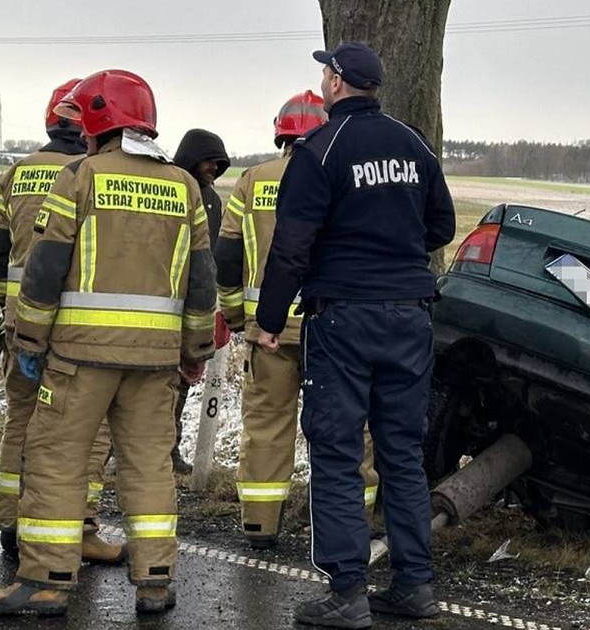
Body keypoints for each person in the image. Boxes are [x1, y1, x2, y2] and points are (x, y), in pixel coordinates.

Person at [0, 69, 216, 616]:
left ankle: (48, 578)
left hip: (78, 358)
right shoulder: (184, 188)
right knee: (149, 465)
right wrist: (195, 351)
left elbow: (44, 269)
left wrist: (29, 339)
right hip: (155, 364)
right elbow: (201, 283)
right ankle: (155, 580)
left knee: (57, 459)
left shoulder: (80, 177)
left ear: (100, 121)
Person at [255, 42, 455, 628]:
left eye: (325, 70)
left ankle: (347, 593)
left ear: (338, 83)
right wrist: (393, 248)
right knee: (401, 453)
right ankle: (415, 585)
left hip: (344, 319)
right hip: (410, 317)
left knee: (338, 452)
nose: (321, 77)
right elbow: (440, 223)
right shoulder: (413, 144)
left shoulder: (321, 149)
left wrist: (268, 323)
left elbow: (291, 246)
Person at [215, 91, 378, 550]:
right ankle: (350, 523)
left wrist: (233, 312)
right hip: (331, 327)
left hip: (267, 330)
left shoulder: (252, 180)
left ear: (280, 133)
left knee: (266, 424)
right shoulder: (340, 171)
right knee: (345, 425)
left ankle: (260, 526)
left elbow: (227, 255)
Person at [0, 78, 121, 565]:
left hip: (22, 326)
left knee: (20, 421)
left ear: (49, 120)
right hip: (76, 331)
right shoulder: (94, 173)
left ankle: (11, 521)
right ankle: (79, 525)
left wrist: (9, 307)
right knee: (87, 430)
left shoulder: (17, 173)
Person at [170, 128, 231, 475]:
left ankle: (170, 448)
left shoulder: (211, 199)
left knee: (183, 380)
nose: (214, 168)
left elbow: (213, 254)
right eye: (209, 161)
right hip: (167, 300)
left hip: (198, 301)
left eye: (219, 164)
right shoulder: (173, 185)